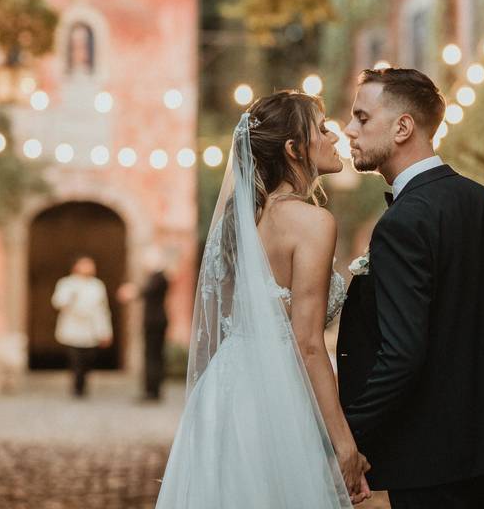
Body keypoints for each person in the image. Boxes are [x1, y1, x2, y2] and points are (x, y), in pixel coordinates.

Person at [156, 91, 372, 508]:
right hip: (277, 396)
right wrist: (344, 444)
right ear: (294, 149)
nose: (334, 137)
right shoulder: (312, 222)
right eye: (322, 129)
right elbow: (307, 343)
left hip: (224, 391)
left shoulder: (240, 221)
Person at [337, 68, 484, 508]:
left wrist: (347, 433)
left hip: (429, 455)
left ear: (403, 127)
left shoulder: (402, 223)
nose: (349, 130)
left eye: (362, 118)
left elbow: (402, 352)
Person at [51, 256, 113, 397]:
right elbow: (58, 302)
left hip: (91, 328)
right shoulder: (67, 283)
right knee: (75, 358)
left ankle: (83, 383)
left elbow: (102, 310)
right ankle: (77, 387)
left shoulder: (97, 285)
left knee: (88, 359)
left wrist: (105, 331)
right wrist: (70, 297)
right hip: (73, 327)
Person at [140, 247, 170, 401]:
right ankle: (151, 388)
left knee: (153, 356)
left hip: (155, 321)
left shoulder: (159, 277)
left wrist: (133, 292)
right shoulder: (157, 277)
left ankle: (153, 390)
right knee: (152, 355)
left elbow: (146, 291)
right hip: (155, 321)